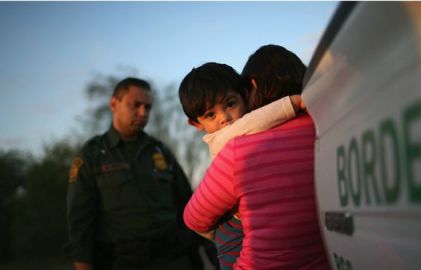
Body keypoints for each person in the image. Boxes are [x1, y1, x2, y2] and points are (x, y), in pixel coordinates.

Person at [183, 45, 331, 269]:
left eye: (230, 104)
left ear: (249, 88)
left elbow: (194, 218)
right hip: (324, 259)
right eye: (211, 115)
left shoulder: (239, 147)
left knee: (226, 224)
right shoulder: (325, 125)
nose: (225, 119)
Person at [65, 77, 206, 270]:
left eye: (147, 107)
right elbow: (80, 224)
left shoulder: (160, 151)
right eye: (136, 105)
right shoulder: (92, 156)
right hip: (122, 262)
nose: (143, 113)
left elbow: (189, 204)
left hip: (173, 259)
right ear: (114, 104)